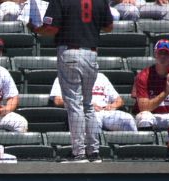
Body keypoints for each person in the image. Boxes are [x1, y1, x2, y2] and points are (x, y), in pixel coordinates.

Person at [32, 0, 113, 163]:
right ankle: (94, 152)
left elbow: (51, 28)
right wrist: (88, 26)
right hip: (92, 54)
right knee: (88, 104)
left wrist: (35, 28)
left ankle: (79, 153)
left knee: (74, 104)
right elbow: (109, 26)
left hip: (70, 52)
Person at [133, 39, 169, 131]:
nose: (163, 56)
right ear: (155, 54)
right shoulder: (144, 76)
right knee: (144, 117)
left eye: (167, 53)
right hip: (150, 115)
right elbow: (144, 108)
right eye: (160, 53)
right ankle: (148, 145)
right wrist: (166, 92)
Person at [50, 73, 138, 131]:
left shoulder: (101, 77)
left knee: (128, 119)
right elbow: (58, 101)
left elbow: (119, 100)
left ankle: (135, 149)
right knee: (94, 121)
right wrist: (85, 104)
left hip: (106, 113)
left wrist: (113, 106)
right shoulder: (64, 77)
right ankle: (95, 152)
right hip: (84, 112)